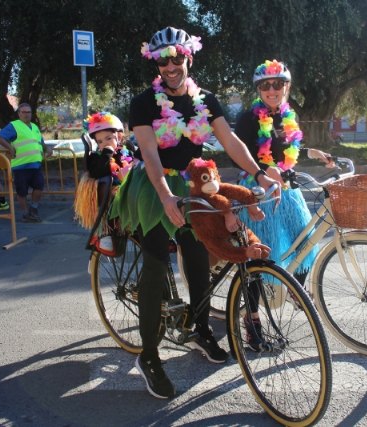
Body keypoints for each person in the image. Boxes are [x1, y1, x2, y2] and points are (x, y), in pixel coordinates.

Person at [109, 26, 278, 399]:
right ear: (156, 63)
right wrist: (167, 197)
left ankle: (201, 328)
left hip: (193, 182)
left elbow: (231, 141)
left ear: (188, 57)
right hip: (154, 186)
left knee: (199, 252)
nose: (171, 66)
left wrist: (259, 174)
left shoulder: (207, 99)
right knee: (156, 262)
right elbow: (150, 155)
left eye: (177, 58)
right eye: (163, 60)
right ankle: (149, 356)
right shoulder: (143, 103)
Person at [234, 59, 334, 350]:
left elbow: (286, 146)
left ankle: (295, 289)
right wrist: (264, 173)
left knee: (304, 240)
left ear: (286, 87)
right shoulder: (248, 118)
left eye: (278, 84)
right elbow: (243, 153)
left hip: (286, 188)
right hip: (256, 189)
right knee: (260, 256)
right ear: (258, 89)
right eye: (265, 85)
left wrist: (312, 151)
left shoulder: (288, 115)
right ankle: (251, 322)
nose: (272, 90)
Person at [74, 112, 136, 255]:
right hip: (112, 193)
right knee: (115, 198)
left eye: (109, 138)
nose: (104, 143)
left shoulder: (126, 152)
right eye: (100, 141)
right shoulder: (97, 158)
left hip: (131, 188)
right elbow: (98, 171)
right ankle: (106, 234)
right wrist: (107, 153)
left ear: (119, 137)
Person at [0, 103, 52, 222]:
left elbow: (40, 141)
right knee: (22, 192)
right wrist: (9, 147)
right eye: (24, 112)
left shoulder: (35, 127)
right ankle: (26, 213)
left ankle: (33, 208)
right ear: (19, 113)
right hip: (20, 165)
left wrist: (48, 149)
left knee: (39, 187)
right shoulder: (14, 125)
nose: (26, 114)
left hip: (35, 164)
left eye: (28, 112)